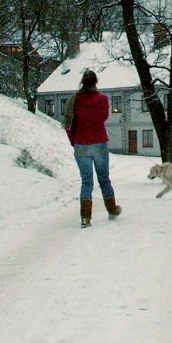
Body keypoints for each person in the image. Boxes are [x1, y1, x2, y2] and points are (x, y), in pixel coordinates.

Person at [64, 69, 122, 228]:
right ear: (96, 82)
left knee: (86, 182)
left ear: (82, 81)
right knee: (104, 179)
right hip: (99, 143)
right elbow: (103, 117)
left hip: (81, 144)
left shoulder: (74, 100)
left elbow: (68, 124)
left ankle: (85, 218)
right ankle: (112, 210)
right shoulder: (103, 99)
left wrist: (74, 141)